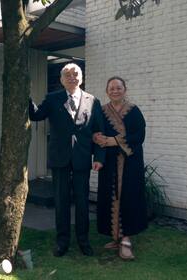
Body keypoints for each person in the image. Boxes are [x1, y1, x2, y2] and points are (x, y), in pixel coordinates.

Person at [29, 63, 105, 257]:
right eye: (67, 74)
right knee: (61, 201)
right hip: (59, 158)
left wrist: (99, 157)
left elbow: (98, 131)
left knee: (82, 202)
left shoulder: (92, 101)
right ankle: (62, 242)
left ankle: (83, 241)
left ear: (82, 77)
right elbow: (36, 115)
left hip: (82, 158)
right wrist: (26, 95)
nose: (72, 77)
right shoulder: (53, 98)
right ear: (61, 80)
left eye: (75, 74)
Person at [93, 76, 147, 260]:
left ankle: (126, 240)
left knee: (128, 197)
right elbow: (95, 129)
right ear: (107, 91)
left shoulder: (134, 111)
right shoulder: (101, 111)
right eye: (111, 88)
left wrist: (114, 140)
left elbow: (139, 135)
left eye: (118, 88)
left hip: (130, 163)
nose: (115, 91)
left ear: (125, 89)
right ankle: (115, 236)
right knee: (111, 196)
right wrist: (97, 138)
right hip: (109, 163)